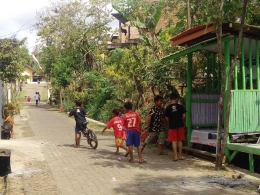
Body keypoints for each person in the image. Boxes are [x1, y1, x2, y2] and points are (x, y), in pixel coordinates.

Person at [164, 93, 186, 162]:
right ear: (177, 99)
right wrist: (180, 120)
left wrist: (171, 121)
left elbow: (166, 118)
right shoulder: (181, 106)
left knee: (174, 141)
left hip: (172, 126)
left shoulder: (168, 108)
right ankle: (180, 156)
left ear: (170, 99)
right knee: (180, 140)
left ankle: (175, 157)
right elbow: (184, 116)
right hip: (180, 125)